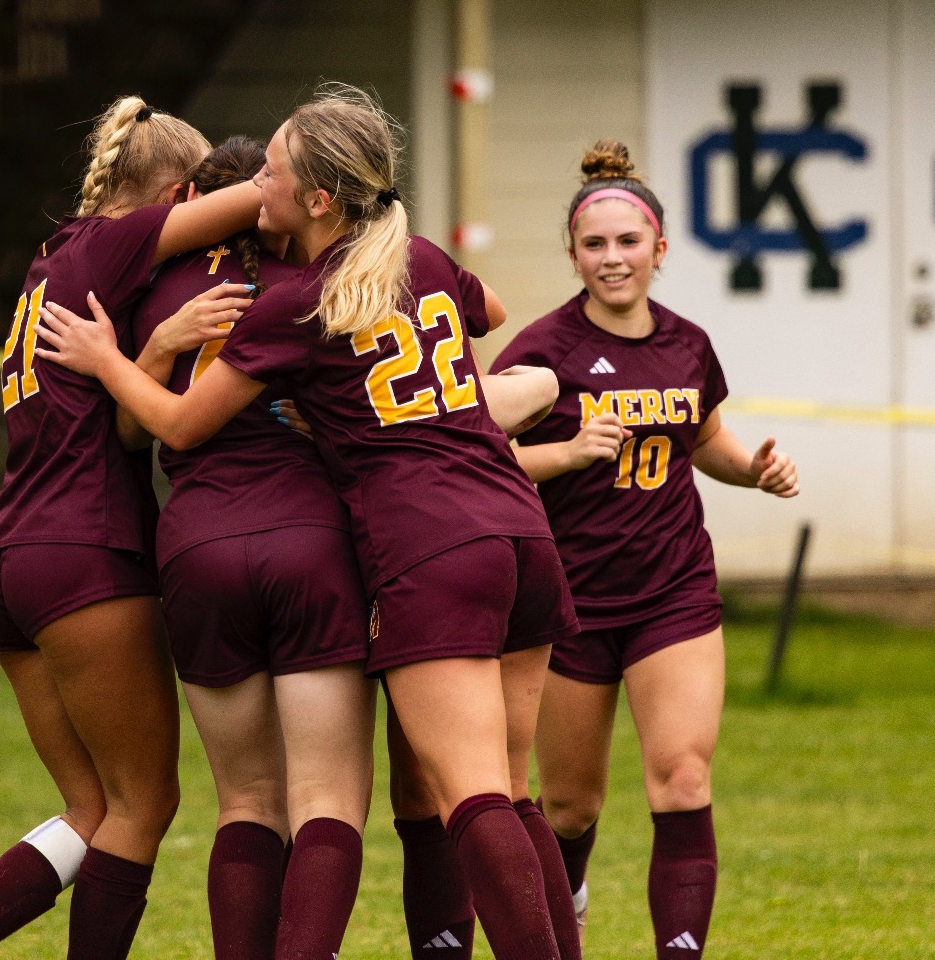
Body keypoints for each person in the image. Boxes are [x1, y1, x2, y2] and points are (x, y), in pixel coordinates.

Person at [32, 86, 583, 960]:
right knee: (512, 790)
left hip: (427, 543)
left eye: (274, 171)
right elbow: (493, 316)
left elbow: (174, 426)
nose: (259, 185)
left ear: (319, 198)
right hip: (519, 528)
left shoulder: (303, 300)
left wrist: (108, 358)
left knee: (468, 794)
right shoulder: (424, 259)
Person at [0, 97, 263, 960]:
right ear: (177, 190)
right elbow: (270, 195)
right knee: (143, 802)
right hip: (83, 546)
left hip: (7, 550)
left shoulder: (50, 258)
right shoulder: (112, 240)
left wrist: (154, 345)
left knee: (91, 808)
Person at [491, 141, 800, 958]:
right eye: (595, 245)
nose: (613, 258)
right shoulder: (541, 350)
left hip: (674, 592)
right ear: (572, 256)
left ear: (660, 248)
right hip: (568, 600)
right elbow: (473, 457)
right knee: (569, 808)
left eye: (629, 242)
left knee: (684, 779)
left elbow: (707, 441)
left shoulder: (689, 345)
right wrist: (566, 452)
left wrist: (755, 471)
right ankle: (570, 911)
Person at [124, 136, 374, 960]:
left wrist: (150, 349)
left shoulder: (158, 284)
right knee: (328, 796)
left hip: (197, 546)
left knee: (244, 801)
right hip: (308, 539)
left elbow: (130, 428)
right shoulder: (322, 284)